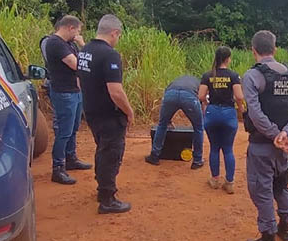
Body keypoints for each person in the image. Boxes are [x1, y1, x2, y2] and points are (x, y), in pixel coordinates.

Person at [241, 30, 288, 241]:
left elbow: (255, 112)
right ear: (275, 49)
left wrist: (274, 135)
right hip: (282, 147)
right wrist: (285, 133)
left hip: (262, 145)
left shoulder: (252, 76)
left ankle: (268, 240)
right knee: (280, 185)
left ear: (253, 50)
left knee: (262, 190)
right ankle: (285, 227)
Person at [78, 14, 133, 214]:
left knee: (102, 150)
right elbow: (116, 91)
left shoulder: (85, 50)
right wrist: (129, 111)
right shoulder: (110, 54)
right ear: (114, 33)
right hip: (109, 114)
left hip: (92, 111)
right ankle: (108, 199)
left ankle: (103, 189)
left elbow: (80, 81)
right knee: (111, 153)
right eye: (118, 36)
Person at [42, 15, 91, 185]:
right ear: (70, 27)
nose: (78, 34)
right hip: (64, 92)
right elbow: (77, 64)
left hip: (75, 91)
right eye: (77, 30)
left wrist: (81, 47)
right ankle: (58, 168)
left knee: (73, 128)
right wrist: (83, 47)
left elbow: (82, 63)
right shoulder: (55, 43)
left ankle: (71, 158)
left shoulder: (68, 44)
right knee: (64, 131)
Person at [198, 46, 245, 194]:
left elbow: (200, 96)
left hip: (212, 113)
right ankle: (229, 183)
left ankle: (215, 179)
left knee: (214, 148)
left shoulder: (207, 75)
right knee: (228, 149)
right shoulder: (233, 75)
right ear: (228, 58)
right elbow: (239, 96)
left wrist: (206, 104)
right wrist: (240, 109)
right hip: (228, 113)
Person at [144, 75, 205, 169]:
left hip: (170, 94)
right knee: (198, 128)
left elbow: (167, 94)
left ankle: (154, 156)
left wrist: (168, 120)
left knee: (162, 125)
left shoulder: (176, 81)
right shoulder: (199, 83)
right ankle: (197, 161)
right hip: (189, 96)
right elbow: (201, 99)